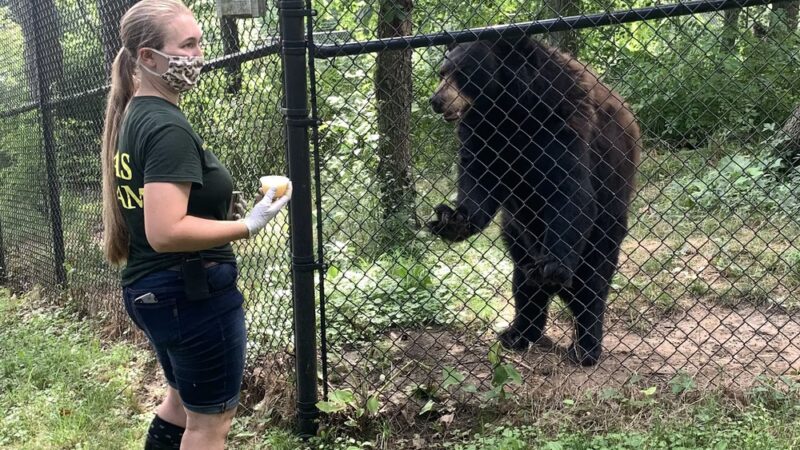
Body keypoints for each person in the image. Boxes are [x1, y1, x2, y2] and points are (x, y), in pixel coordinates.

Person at [99, 1, 291, 448]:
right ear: (148, 58)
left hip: (155, 290)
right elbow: (165, 231)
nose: (198, 55)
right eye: (187, 45)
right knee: (209, 426)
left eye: (200, 42)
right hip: (190, 293)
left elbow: (163, 208)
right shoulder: (166, 127)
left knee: (182, 406)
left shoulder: (138, 114)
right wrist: (249, 225)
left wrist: (223, 208)